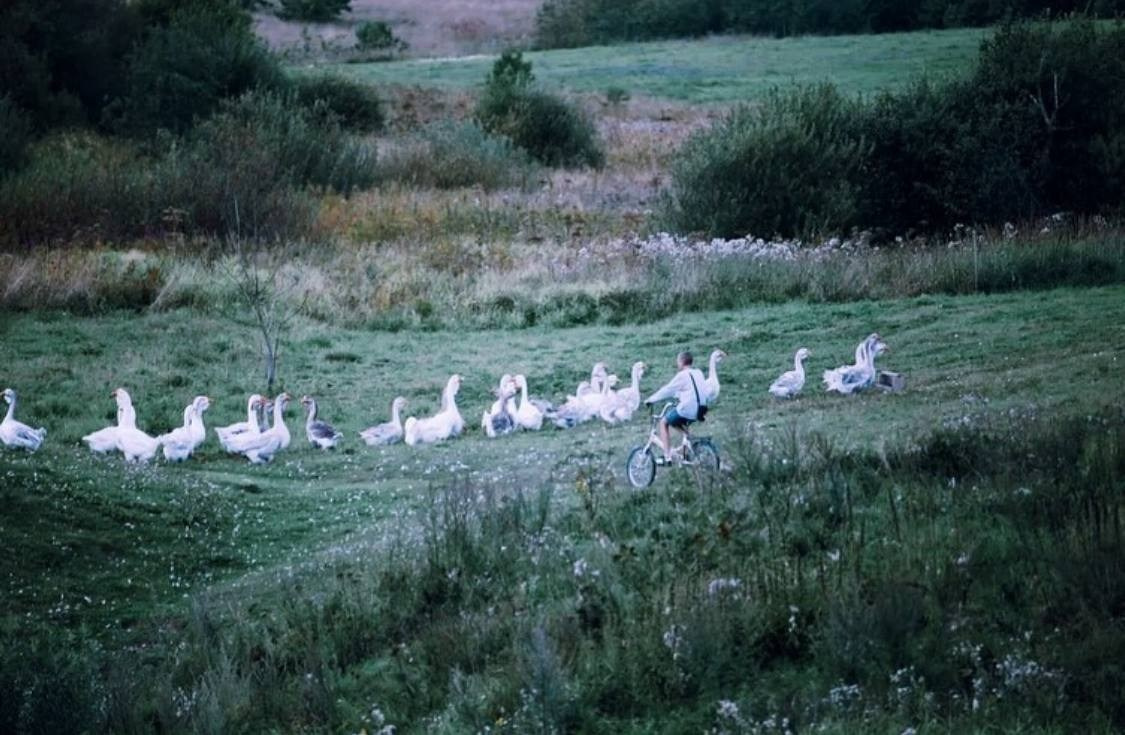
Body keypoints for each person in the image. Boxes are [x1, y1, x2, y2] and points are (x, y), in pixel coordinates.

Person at [644, 350, 708, 464]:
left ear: (681, 362)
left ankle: (667, 456)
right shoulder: (698, 373)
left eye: (678, 361)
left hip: (688, 408)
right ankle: (685, 450)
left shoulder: (682, 375)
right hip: (702, 408)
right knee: (681, 423)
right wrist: (679, 397)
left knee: (664, 422)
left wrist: (651, 399)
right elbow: (692, 389)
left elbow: (667, 390)